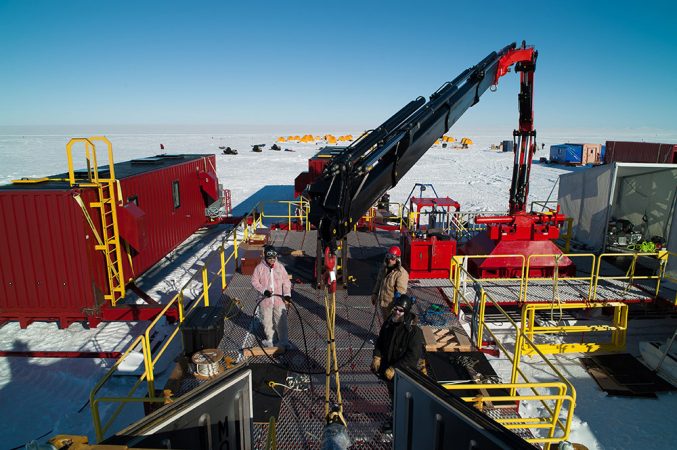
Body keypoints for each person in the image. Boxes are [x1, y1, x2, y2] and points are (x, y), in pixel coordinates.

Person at [370, 294, 424, 433]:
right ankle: (396, 419)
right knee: (393, 398)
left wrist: (395, 369)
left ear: (406, 312)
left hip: (403, 375)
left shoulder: (414, 332)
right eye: (396, 309)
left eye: (401, 311)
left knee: (402, 400)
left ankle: (400, 425)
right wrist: (377, 356)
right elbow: (381, 341)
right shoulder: (389, 323)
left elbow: (413, 357)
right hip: (388, 372)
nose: (397, 312)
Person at [251, 245, 292, 348]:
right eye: (269, 259)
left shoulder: (280, 267)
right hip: (265, 301)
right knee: (267, 320)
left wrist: (287, 295)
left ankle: (283, 341)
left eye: (274, 258)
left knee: (281, 320)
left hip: (278, 300)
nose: (272, 261)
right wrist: (264, 291)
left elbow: (286, 282)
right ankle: (271, 339)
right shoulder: (259, 268)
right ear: (265, 257)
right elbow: (254, 281)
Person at [371, 246, 409, 320]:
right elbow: (379, 282)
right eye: (389, 258)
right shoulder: (384, 268)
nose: (390, 261)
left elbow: (401, 291)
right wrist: (374, 294)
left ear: (398, 259)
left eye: (392, 259)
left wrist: (397, 308)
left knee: (392, 327)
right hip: (383, 304)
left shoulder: (401, 274)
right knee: (385, 323)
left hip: (392, 307)